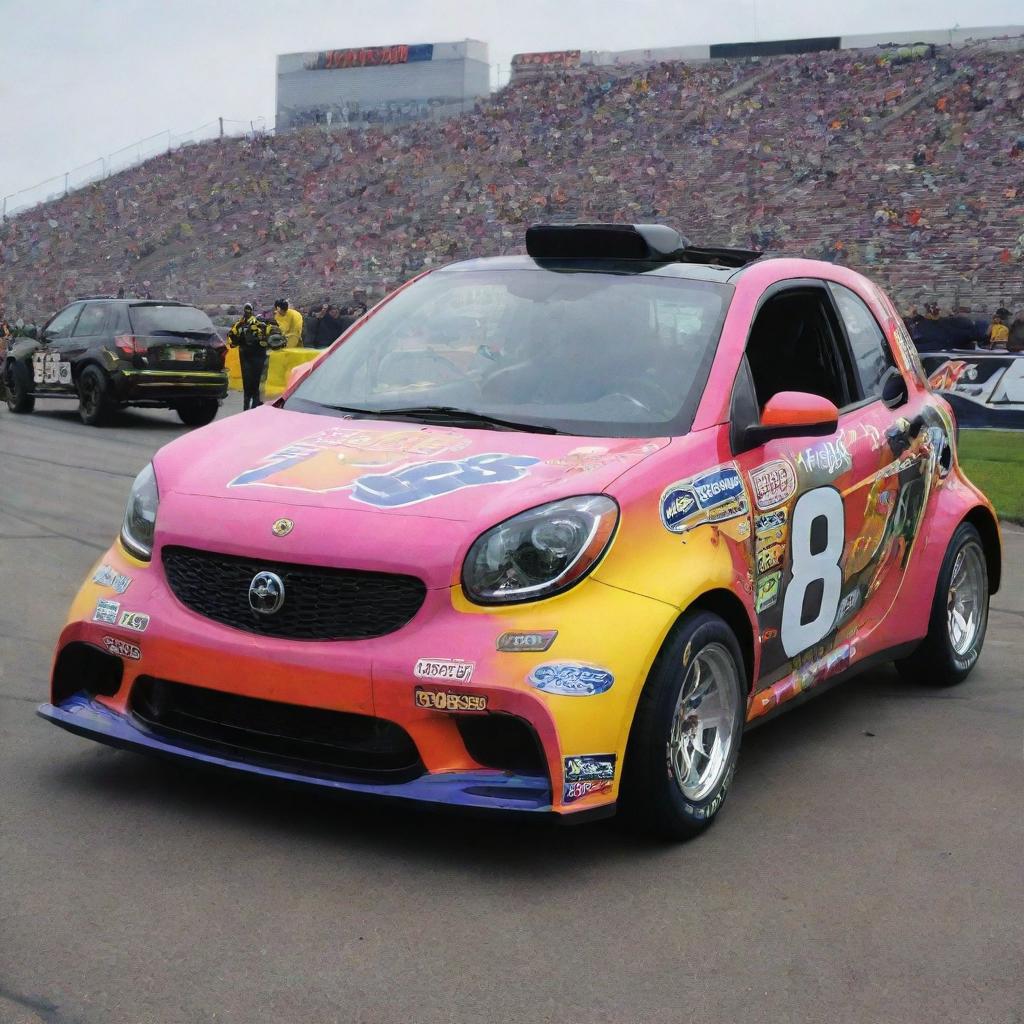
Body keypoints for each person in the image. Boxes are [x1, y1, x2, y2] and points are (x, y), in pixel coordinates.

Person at [227, 303, 270, 410]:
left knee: (253, 382)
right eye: (247, 309)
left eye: (248, 309)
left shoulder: (257, 324)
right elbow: (232, 341)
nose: (247, 312)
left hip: (252, 355)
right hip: (249, 355)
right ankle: (249, 406)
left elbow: (232, 342)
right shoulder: (240, 324)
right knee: (251, 382)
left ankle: (251, 406)